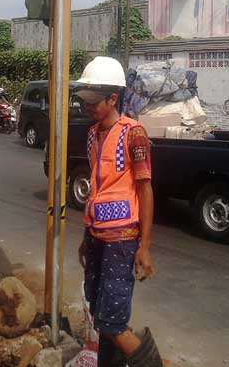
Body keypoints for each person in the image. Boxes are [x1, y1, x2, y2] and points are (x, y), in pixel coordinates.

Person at [74, 56, 163, 367]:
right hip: (97, 236)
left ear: (113, 98)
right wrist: (87, 237)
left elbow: (145, 189)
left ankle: (151, 363)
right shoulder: (93, 133)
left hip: (122, 241)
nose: (87, 106)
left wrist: (146, 246)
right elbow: (97, 190)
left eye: (93, 101)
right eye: (84, 99)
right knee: (100, 314)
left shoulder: (133, 133)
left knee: (112, 321)